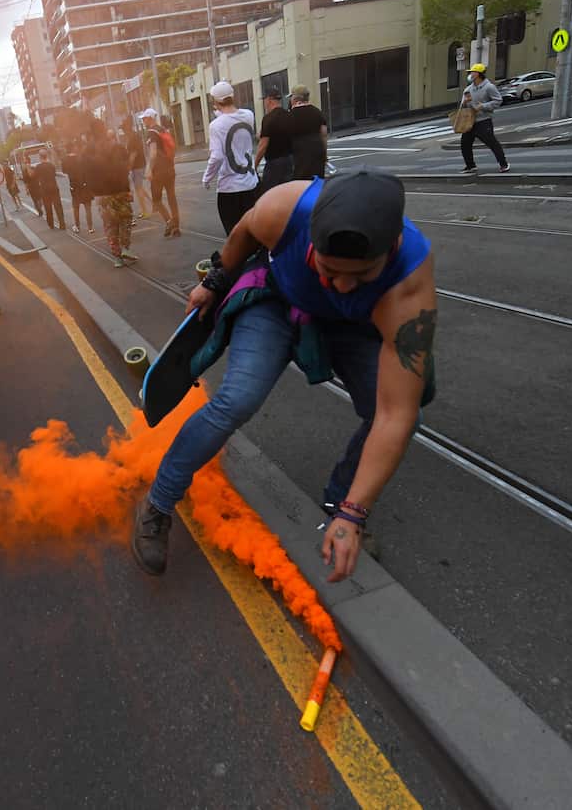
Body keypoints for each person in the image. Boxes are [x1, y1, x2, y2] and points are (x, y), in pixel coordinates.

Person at [131, 168, 436, 580]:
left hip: (353, 324)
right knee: (236, 400)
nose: (343, 285)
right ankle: (158, 501)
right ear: (311, 237)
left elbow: (394, 415)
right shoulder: (283, 209)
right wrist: (216, 281)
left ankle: (339, 506)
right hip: (276, 300)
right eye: (329, 269)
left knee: (406, 413)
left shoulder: (409, 284)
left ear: (393, 247)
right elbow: (242, 232)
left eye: (361, 276)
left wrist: (353, 512)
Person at [201, 80, 261, 235]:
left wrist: (207, 178)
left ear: (215, 101)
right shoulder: (249, 115)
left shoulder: (216, 125)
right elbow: (233, 120)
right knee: (254, 232)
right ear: (232, 97)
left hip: (230, 188)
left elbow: (217, 156)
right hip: (251, 183)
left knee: (235, 235)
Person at [88, 127, 137, 267]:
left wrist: (95, 194)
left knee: (110, 226)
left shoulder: (91, 154)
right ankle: (126, 248)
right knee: (125, 220)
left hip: (102, 196)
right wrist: (128, 191)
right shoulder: (117, 149)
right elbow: (123, 171)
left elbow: (88, 176)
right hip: (119, 192)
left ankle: (117, 258)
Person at [459, 63, 509, 174]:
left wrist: (484, 106)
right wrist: (465, 103)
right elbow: (462, 106)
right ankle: (470, 166)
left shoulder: (489, 87)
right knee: (465, 143)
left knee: (491, 143)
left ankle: (503, 164)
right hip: (470, 121)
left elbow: (498, 100)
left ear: (478, 74)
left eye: (472, 72)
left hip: (484, 120)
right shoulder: (468, 89)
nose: (470, 74)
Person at [141, 108, 180, 237]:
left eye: (144, 118)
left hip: (158, 171)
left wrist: (148, 169)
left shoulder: (151, 133)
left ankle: (169, 222)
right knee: (171, 197)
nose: (143, 121)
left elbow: (153, 153)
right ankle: (176, 226)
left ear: (150, 118)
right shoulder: (163, 130)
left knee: (156, 200)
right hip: (170, 169)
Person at [255, 86, 295, 190]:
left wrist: (255, 165)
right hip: (289, 160)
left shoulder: (268, 118)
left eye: (264, 100)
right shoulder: (289, 115)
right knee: (287, 192)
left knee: (268, 193)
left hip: (274, 163)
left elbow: (263, 145)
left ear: (269, 99)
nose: (264, 103)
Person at [288, 85, 330, 181]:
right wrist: (325, 154)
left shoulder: (290, 116)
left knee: (302, 184)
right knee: (317, 182)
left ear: (294, 98)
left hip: (300, 155)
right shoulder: (317, 112)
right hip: (317, 151)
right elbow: (323, 134)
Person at [32, 150, 66, 230]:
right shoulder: (51, 165)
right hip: (54, 187)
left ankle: (51, 224)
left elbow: (34, 177)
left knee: (48, 207)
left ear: (40, 157)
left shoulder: (38, 167)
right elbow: (54, 174)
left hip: (44, 189)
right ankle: (62, 224)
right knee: (58, 206)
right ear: (46, 156)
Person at [66, 141, 95, 234]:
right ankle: (90, 227)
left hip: (74, 186)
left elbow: (64, 171)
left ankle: (77, 226)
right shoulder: (84, 158)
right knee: (88, 207)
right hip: (85, 185)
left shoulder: (67, 160)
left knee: (76, 207)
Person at [124, 124, 152, 218]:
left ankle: (145, 211)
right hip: (141, 164)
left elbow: (133, 155)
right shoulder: (136, 135)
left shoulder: (132, 139)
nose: (123, 132)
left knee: (138, 189)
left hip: (137, 167)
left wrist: (128, 167)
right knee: (140, 187)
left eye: (123, 129)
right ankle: (154, 203)